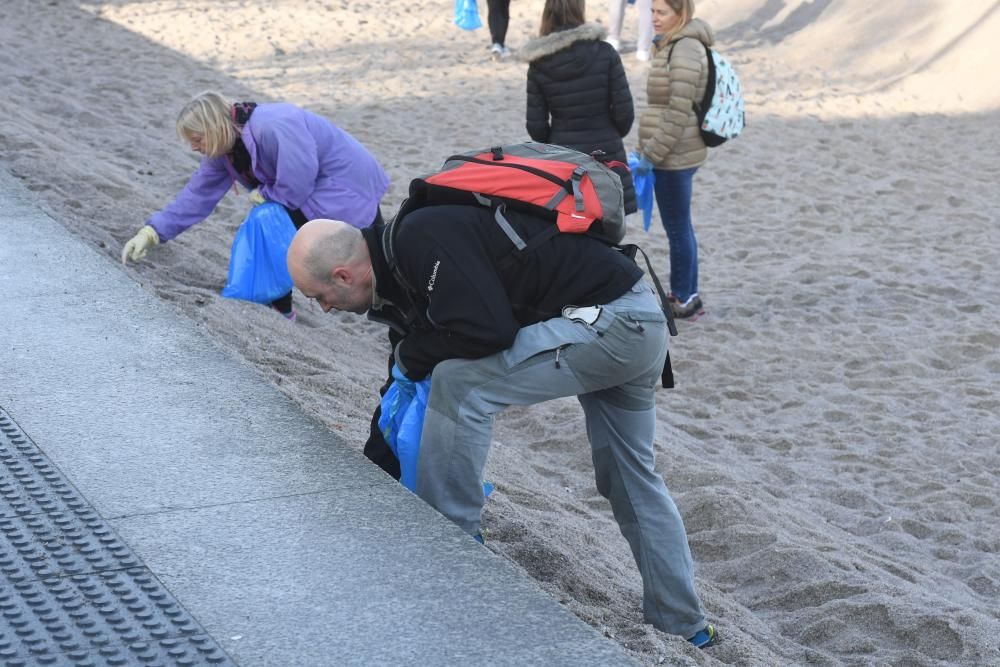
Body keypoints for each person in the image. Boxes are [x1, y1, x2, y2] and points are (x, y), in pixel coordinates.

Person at [286, 207, 718, 648]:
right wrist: (373, 475)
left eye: (317, 296)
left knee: (459, 384)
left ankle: (451, 552)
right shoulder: (400, 267)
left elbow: (488, 332)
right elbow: (403, 386)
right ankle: (684, 624)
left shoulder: (419, 243)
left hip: (610, 323)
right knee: (630, 477)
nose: (324, 308)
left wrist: (412, 354)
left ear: (342, 276)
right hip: (639, 316)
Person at [121, 90, 389, 320]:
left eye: (197, 138)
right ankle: (276, 305)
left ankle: (265, 303)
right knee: (269, 224)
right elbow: (196, 196)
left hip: (347, 187)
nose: (194, 147)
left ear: (213, 127)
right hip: (315, 194)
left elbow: (299, 177)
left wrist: (268, 193)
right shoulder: (225, 151)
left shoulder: (272, 125)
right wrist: (153, 232)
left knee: (379, 269)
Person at [634, 0, 710, 319]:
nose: (654, 18)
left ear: (681, 14)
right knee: (681, 226)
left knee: (678, 229)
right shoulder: (671, 45)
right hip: (674, 150)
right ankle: (687, 293)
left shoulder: (684, 50)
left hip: (674, 154)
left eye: (661, 12)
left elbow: (678, 111)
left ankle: (683, 297)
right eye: (652, 11)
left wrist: (651, 154)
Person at [521, 0, 634, 165]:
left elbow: (536, 126)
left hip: (563, 154)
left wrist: (554, 142)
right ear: (580, 9)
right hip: (607, 150)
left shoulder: (539, 63)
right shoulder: (605, 52)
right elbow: (624, 113)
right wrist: (610, 133)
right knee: (612, 190)